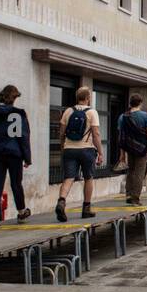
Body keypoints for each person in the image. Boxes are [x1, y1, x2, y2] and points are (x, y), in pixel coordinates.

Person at [0, 85, 31, 230]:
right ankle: (21, 211)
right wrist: (27, 157)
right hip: (14, 153)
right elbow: (24, 136)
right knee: (16, 183)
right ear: (13, 98)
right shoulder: (19, 114)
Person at [55, 87, 104, 222]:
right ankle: (86, 209)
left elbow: (61, 132)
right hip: (86, 150)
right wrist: (100, 152)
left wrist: (63, 147)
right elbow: (96, 134)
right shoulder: (92, 113)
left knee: (68, 178)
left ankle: (61, 201)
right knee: (88, 178)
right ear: (88, 98)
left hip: (69, 149)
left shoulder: (68, 111)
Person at [116, 94, 147, 205]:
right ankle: (135, 197)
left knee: (131, 171)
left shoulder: (122, 117)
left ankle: (128, 194)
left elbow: (121, 137)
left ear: (130, 103)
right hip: (141, 148)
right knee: (139, 172)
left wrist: (122, 153)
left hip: (128, 148)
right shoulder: (145, 116)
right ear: (140, 103)